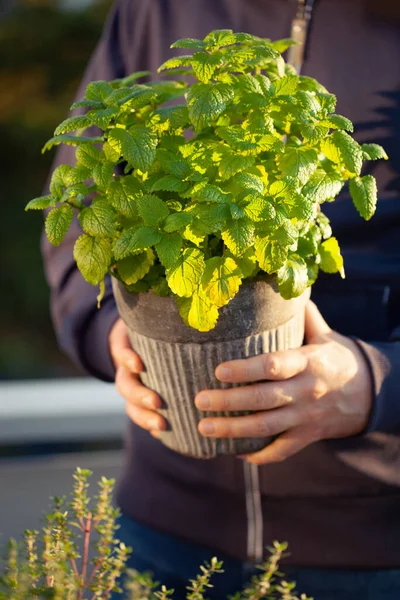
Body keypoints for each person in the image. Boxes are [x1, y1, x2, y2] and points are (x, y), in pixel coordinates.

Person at [42, 1, 400, 598]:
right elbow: (78, 208)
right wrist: (114, 333)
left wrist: (379, 383)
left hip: (374, 549)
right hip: (163, 526)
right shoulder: (153, 8)